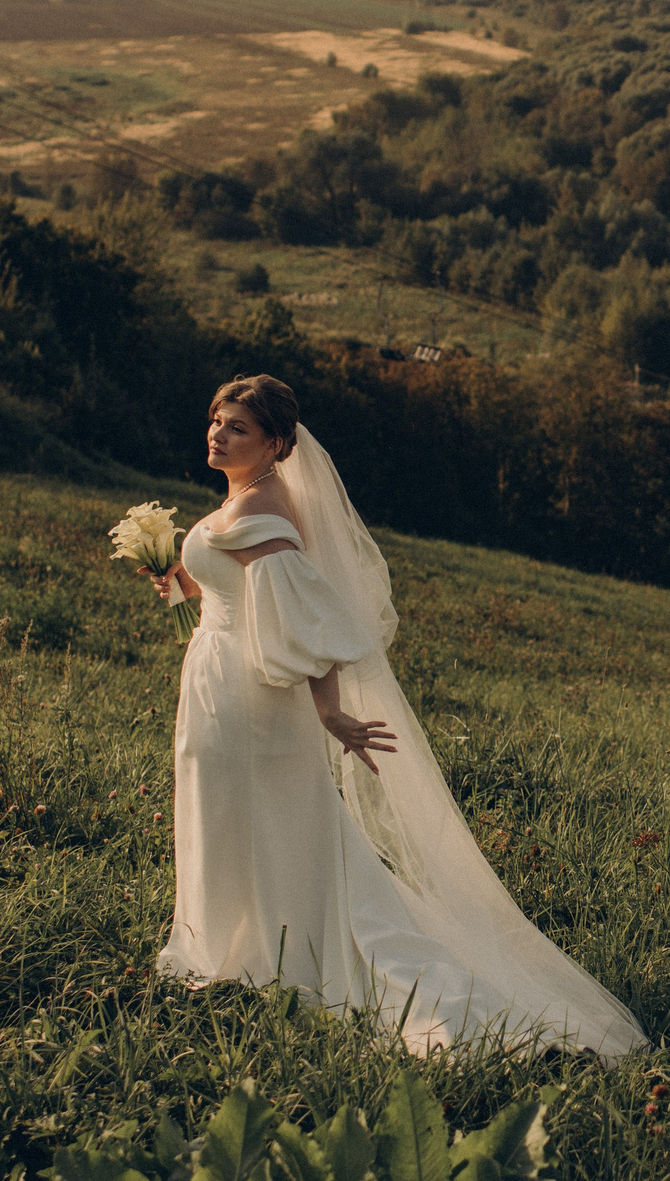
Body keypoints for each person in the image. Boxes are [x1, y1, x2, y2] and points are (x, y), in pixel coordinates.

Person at [140, 374, 644, 1057]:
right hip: (218, 682)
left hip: (248, 697)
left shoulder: (267, 508)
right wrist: (174, 578)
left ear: (276, 444)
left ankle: (275, 955)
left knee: (272, 821)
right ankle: (235, 944)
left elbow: (309, 621)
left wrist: (331, 712)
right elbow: (224, 577)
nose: (217, 434)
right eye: (216, 421)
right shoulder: (243, 498)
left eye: (236, 428)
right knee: (231, 811)